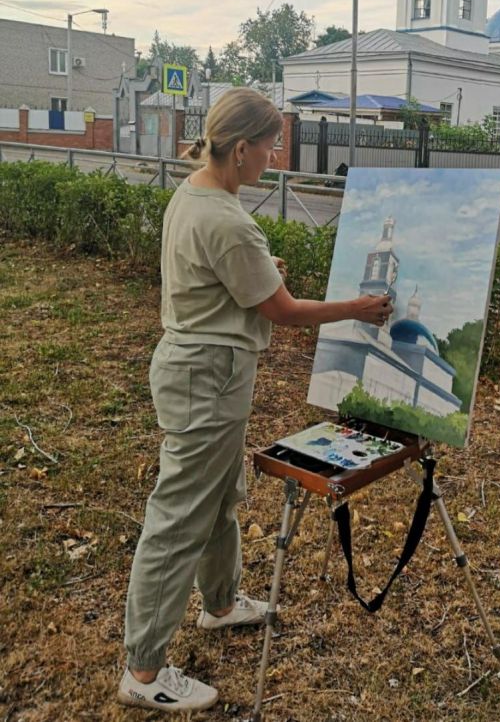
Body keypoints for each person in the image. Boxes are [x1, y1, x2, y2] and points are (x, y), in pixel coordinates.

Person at [117, 88, 392, 713]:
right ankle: (143, 671)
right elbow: (285, 311)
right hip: (206, 376)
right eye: (269, 147)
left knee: (216, 497)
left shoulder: (197, 194)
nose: (273, 157)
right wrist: (358, 308)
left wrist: (261, 270)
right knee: (178, 517)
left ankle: (219, 603)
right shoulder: (225, 218)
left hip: (202, 369)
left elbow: (229, 280)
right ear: (240, 149)